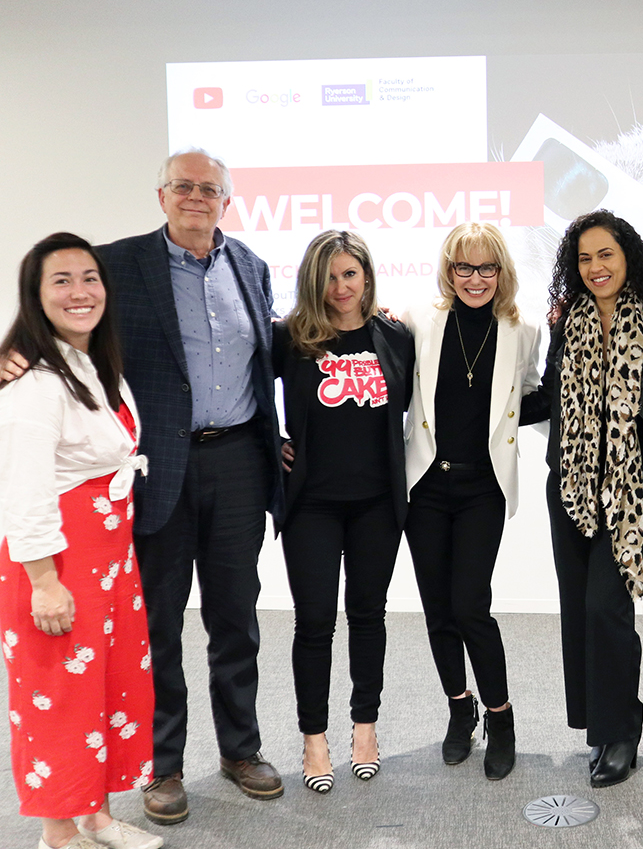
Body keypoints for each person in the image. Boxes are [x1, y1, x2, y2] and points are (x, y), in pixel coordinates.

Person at [3, 150, 287, 823]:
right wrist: (13, 350)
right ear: (161, 196)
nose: (196, 197)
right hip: (157, 468)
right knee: (154, 623)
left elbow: (265, 347)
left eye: (209, 189)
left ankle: (240, 750)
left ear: (228, 201)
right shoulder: (117, 264)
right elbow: (63, 314)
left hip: (240, 461)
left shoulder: (251, 265)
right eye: (183, 187)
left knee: (235, 617)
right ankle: (163, 766)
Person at [0, 234, 161, 849]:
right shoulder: (33, 383)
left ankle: (94, 814)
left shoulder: (96, 365)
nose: (79, 291)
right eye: (60, 280)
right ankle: (57, 833)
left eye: (89, 277)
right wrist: (44, 582)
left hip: (108, 560)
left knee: (107, 686)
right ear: (35, 296)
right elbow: (25, 492)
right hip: (56, 564)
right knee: (58, 699)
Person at [522, 209, 643, 788]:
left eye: (606, 255)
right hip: (569, 481)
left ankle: (623, 731)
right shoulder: (567, 319)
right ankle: (601, 728)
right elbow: (549, 395)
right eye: (585, 258)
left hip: (629, 486)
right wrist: (485, 412)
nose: (596, 267)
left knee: (606, 605)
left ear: (629, 257)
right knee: (578, 604)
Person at [272, 231, 414, 793]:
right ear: (313, 280)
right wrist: (271, 444)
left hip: (378, 503)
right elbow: (246, 393)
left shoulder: (394, 336)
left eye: (349, 274)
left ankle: (365, 730)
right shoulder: (291, 338)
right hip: (312, 504)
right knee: (313, 624)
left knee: (368, 616)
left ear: (366, 276)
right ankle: (313, 741)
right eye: (329, 276)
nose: (340, 287)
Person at [403, 222, 541, 781]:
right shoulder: (419, 323)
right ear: (449, 270)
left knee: (470, 607)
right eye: (465, 267)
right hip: (427, 487)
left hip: (484, 486)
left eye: (487, 268)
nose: (476, 279)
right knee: (438, 611)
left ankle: (501, 717)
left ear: (502, 272)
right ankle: (461, 711)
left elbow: (528, 397)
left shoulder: (523, 330)